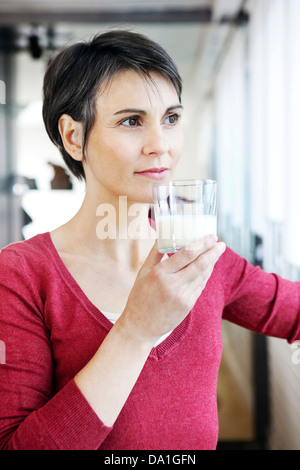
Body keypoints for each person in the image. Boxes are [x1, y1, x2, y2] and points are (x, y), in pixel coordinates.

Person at [0, 30, 299, 451]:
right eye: (130, 121)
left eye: (171, 119)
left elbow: (292, 309)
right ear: (73, 137)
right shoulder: (22, 274)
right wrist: (135, 331)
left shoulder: (200, 255)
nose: (161, 146)